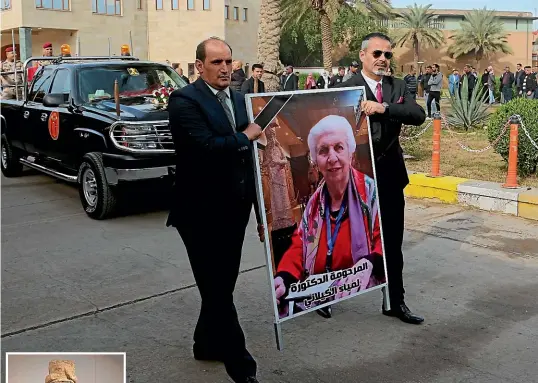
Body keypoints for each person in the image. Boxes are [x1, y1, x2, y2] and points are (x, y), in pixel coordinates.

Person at [166, 37, 263, 383]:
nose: (225, 68)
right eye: (217, 62)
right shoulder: (183, 101)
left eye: (229, 62)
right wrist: (247, 135)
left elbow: (247, 163)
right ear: (199, 66)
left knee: (222, 284)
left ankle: (204, 343)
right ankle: (242, 368)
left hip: (234, 210)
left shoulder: (239, 100)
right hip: (198, 213)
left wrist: (262, 214)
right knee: (218, 290)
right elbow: (206, 148)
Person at [335, 32, 425, 325]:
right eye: (377, 54)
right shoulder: (345, 88)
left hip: (389, 175)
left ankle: (395, 301)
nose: (383, 60)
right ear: (362, 56)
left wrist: (383, 108)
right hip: (353, 177)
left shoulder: (397, 86)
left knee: (391, 243)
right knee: (341, 241)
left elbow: (416, 113)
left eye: (387, 54)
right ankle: (324, 299)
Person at [273, 115, 384, 319]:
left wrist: (371, 262)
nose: (332, 158)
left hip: (360, 294)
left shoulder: (371, 193)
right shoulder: (313, 205)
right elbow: (300, 245)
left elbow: (384, 240)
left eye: (339, 148)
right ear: (315, 161)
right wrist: (285, 276)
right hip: (319, 288)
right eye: (323, 151)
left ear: (350, 153)